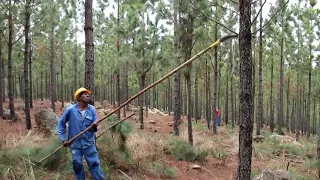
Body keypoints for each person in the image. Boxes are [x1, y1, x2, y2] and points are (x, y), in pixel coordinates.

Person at [57, 87, 106, 180]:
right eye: (84, 94)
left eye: (88, 94)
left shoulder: (92, 109)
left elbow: (95, 129)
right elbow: (61, 124)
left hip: (89, 144)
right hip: (75, 145)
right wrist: (63, 139)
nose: (88, 95)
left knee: (95, 165)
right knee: (77, 166)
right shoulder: (70, 110)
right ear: (79, 98)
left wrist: (94, 126)